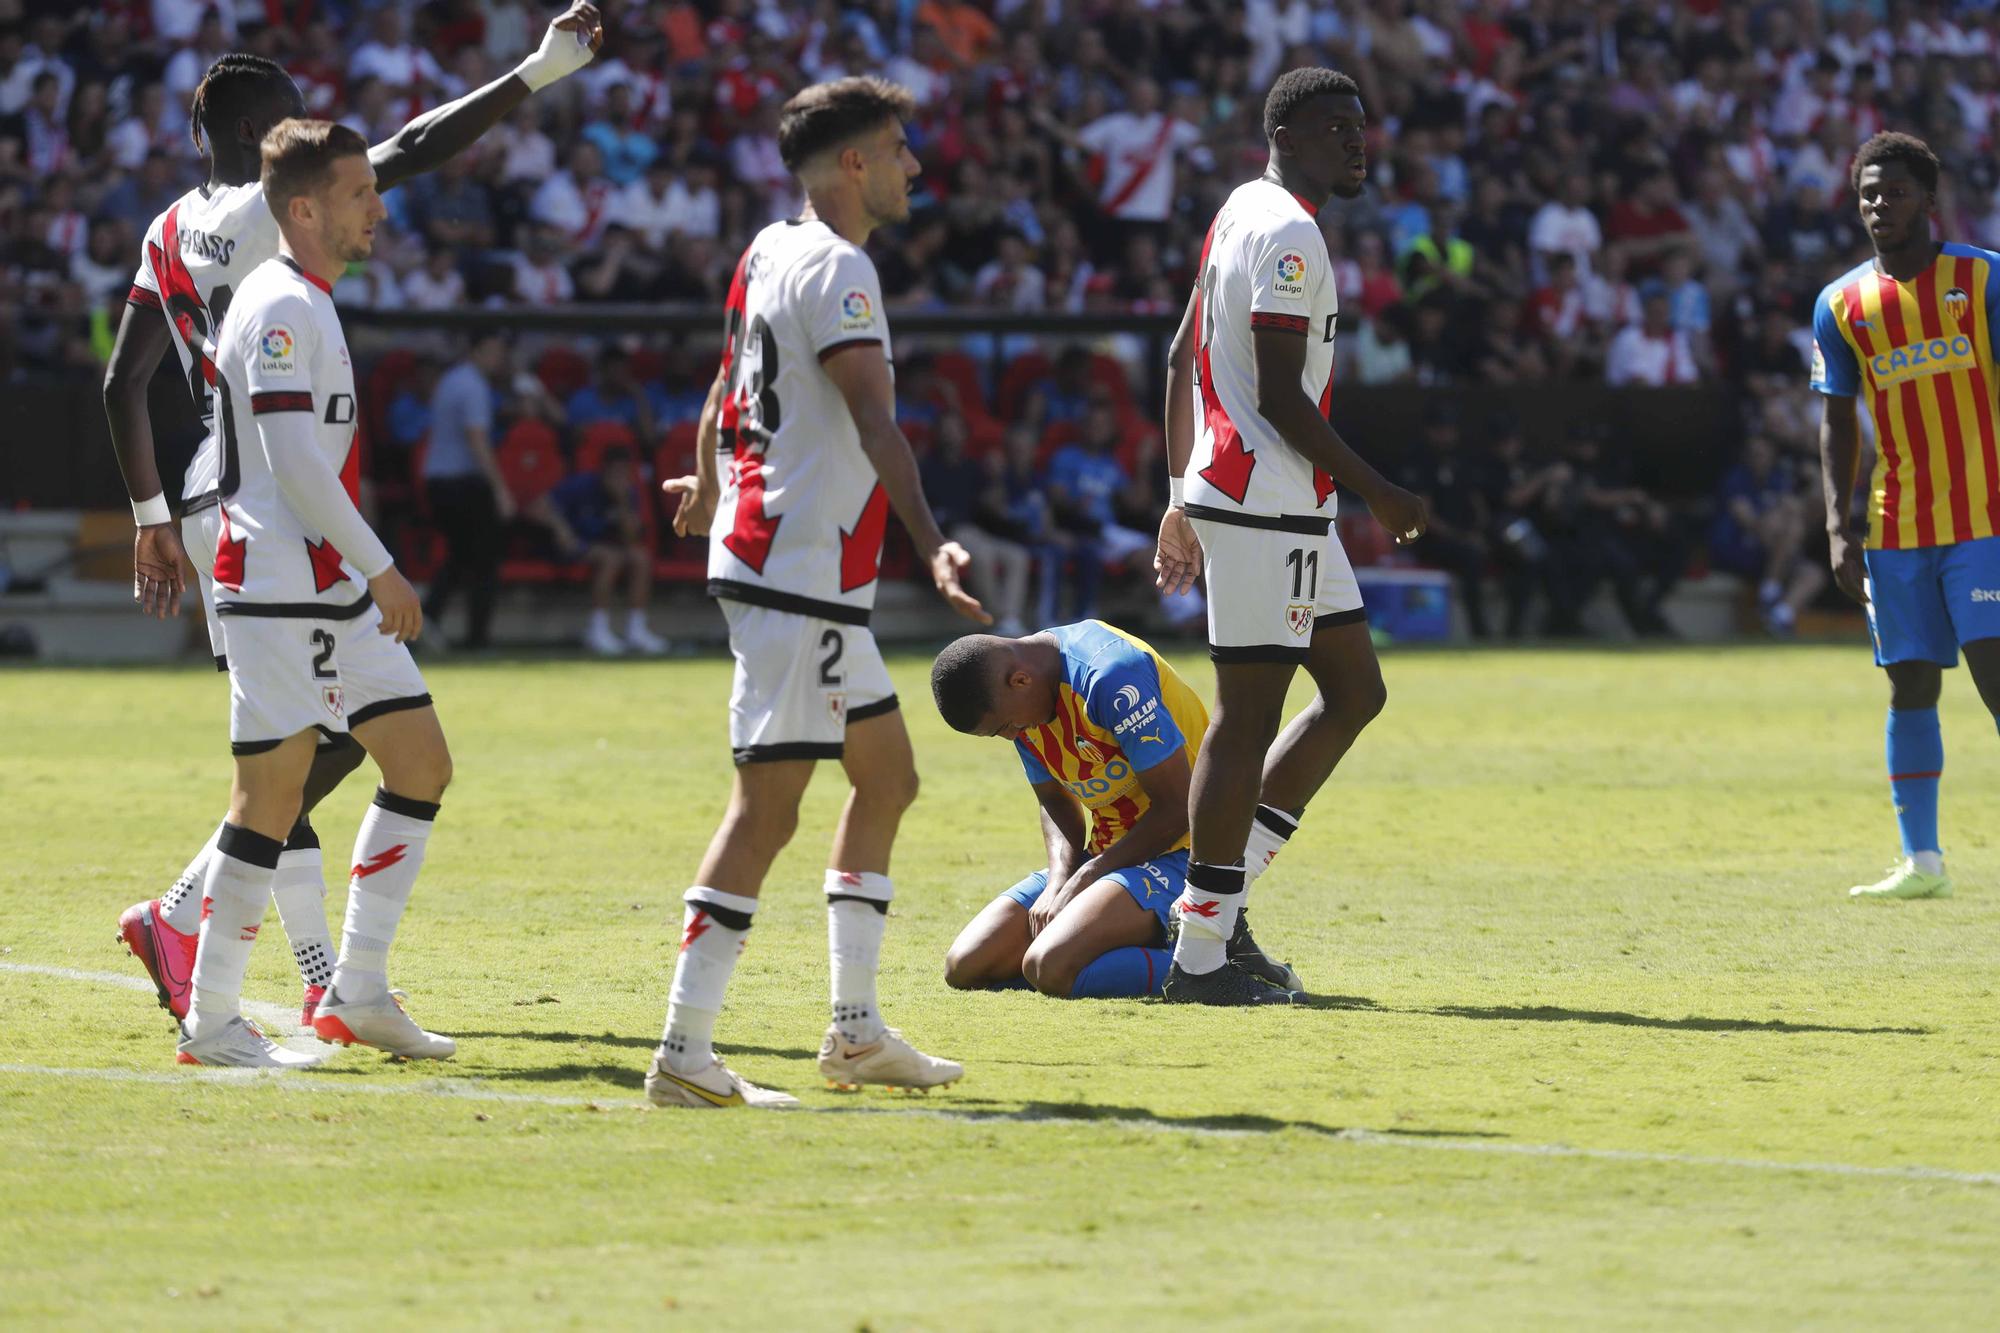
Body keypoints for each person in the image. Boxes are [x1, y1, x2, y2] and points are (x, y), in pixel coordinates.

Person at [101, 7, 601, 1032]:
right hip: (272, 505)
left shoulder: (167, 227)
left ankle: (324, 972)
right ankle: (202, 924)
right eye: (297, 124)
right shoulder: (262, 218)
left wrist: (150, 517)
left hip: (206, 494)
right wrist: (538, 74)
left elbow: (123, 382)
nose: (324, 140)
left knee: (318, 742)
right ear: (258, 143)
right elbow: (416, 144)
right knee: (308, 751)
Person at [651, 77, 988, 1109]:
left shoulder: (766, 249)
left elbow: (721, 385)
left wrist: (710, 479)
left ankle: (852, 1033)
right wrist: (932, 545)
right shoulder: (841, 270)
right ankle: (683, 1052)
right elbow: (877, 423)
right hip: (796, 573)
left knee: (885, 779)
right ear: (853, 163)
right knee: (767, 808)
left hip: (798, 570)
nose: (912, 166)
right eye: (897, 148)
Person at [1153, 68, 1428, 1005]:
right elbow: (1276, 394)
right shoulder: (1288, 232)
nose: (1357, 142)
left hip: (1268, 502)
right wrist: (1381, 492)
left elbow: (1184, 347)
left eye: (1362, 126)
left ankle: (1214, 918)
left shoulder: (1242, 208)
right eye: (1336, 127)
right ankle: (1197, 958)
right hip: (1265, 502)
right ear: (1289, 134)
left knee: (1356, 689)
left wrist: (1176, 489)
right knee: (1245, 719)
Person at [183, 118, 452, 1067]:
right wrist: (380, 565)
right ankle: (211, 1019)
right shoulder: (283, 304)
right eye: (357, 193)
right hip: (281, 587)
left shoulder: (303, 296)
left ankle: (357, 991)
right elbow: (295, 459)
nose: (378, 206)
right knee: (269, 798)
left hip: (322, 589)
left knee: (418, 761)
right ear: (303, 208)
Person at [1809, 131, 2000, 901]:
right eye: (1867, 194)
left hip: (1988, 519)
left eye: (1892, 192)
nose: (1878, 205)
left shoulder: (1982, 281)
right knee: (1910, 685)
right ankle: (1922, 861)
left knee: (1995, 678)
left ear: (1930, 199)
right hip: (1896, 530)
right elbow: (1837, 419)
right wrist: (1836, 524)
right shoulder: (1842, 304)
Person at [933, 622, 1299, 998]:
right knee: (967, 965)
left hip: (1186, 851)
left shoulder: (1110, 675)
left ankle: (1210, 963)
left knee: (1048, 965)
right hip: (1110, 857)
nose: (1013, 736)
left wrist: (1085, 878)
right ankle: (1122, 948)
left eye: (1006, 726)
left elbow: (1177, 809)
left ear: (1020, 681)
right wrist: (1061, 877)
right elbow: (1054, 799)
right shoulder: (1025, 697)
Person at [421, 331, 515, 649]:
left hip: (440, 481)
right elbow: (477, 440)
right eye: (493, 351)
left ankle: (428, 620)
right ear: (476, 350)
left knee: (461, 558)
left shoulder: (453, 379)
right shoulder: (472, 385)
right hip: (461, 483)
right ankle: (478, 637)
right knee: (484, 560)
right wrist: (500, 489)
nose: (498, 359)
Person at [543, 445, 667, 655]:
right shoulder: (580, 485)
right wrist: (561, 529)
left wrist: (622, 501)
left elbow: (631, 537)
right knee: (611, 558)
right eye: (615, 472)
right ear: (604, 470)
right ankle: (597, 629)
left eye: (624, 473)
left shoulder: (628, 494)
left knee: (640, 558)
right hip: (570, 545)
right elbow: (539, 505)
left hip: (606, 547)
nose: (619, 477)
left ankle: (635, 629)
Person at [1708, 434, 1827, 637]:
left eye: (1762, 454)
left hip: (1774, 553)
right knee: (1789, 525)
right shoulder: (1737, 479)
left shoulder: (1778, 479)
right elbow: (1750, 522)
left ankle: (1780, 615)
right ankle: (1769, 590)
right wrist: (1783, 513)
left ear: (1772, 456)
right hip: (1741, 548)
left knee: (1813, 574)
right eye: (1753, 454)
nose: (1758, 458)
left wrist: (1813, 481)